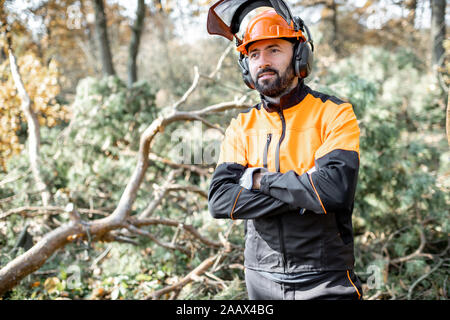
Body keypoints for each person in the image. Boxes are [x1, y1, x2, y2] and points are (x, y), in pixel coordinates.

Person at [208, 8, 363, 300]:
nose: (263, 62)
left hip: (326, 276)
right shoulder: (241, 126)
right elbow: (220, 201)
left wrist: (257, 180)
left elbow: (332, 192)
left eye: (274, 49)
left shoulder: (334, 114)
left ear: (300, 54)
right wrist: (305, 192)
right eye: (253, 55)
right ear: (246, 67)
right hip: (260, 277)